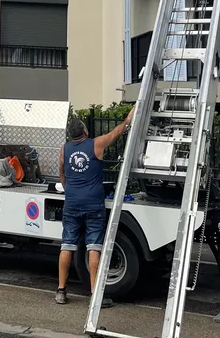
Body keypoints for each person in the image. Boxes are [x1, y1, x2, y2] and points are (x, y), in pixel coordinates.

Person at [55, 107, 135, 305]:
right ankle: (94, 295)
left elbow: (62, 174)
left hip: (72, 203)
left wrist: (70, 190)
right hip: (93, 204)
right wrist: (128, 119)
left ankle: (61, 290)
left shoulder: (65, 149)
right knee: (94, 247)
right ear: (85, 132)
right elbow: (116, 133)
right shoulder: (96, 145)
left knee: (67, 245)